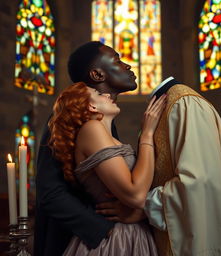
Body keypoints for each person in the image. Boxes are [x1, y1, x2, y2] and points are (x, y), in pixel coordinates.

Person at [96, 76, 221, 256]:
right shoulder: (164, 106)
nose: (127, 66)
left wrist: (145, 207)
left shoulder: (185, 103)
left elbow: (197, 181)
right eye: (117, 59)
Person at [33, 41, 144, 256]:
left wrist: (138, 212)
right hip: (80, 242)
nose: (128, 66)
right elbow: (50, 192)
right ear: (97, 74)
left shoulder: (107, 120)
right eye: (118, 61)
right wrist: (104, 229)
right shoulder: (66, 118)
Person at [47, 82, 166, 255]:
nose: (108, 95)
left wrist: (142, 213)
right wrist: (147, 133)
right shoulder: (91, 129)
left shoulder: (110, 139)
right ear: (91, 106)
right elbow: (136, 194)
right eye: (98, 94)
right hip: (115, 240)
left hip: (135, 234)